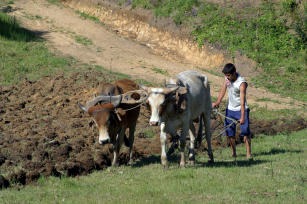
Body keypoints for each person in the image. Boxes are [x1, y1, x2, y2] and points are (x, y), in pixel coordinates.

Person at [212, 63, 252, 159]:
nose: (227, 77)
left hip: (241, 109)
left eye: (228, 75)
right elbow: (223, 89)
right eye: (225, 75)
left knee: (245, 132)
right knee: (230, 133)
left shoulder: (242, 83)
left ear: (234, 73)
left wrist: (242, 116)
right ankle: (234, 153)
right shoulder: (227, 79)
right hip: (230, 109)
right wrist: (217, 102)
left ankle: (248, 153)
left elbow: (242, 102)